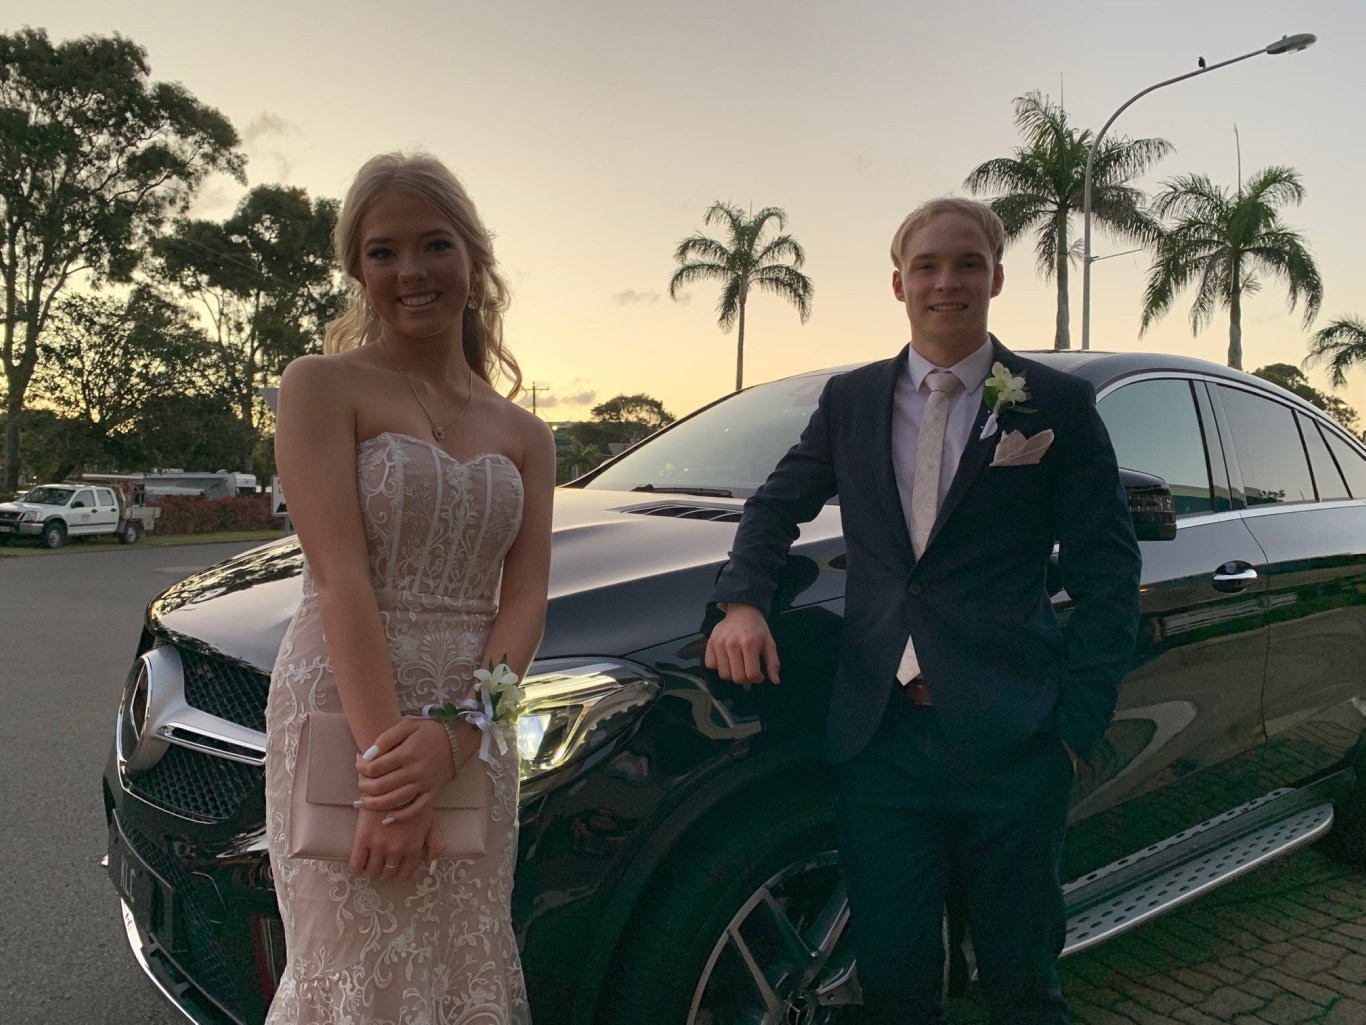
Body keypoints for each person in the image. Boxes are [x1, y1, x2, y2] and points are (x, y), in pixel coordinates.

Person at [703, 197, 1141, 1024]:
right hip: (882, 743)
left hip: (1014, 743)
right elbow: (773, 507)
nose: (949, 282)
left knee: (1023, 985)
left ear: (997, 277)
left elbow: (1108, 574)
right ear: (899, 282)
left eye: (968, 263)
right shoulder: (852, 400)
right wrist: (741, 602)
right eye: (929, 266)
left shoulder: (1054, 405)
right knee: (896, 983)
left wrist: (1073, 734)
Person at [264, 152, 554, 1025]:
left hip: (472, 732)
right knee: (354, 973)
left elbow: (527, 604)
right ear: (357, 269)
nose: (410, 272)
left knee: (460, 966)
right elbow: (341, 576)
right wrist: (392, 768)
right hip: (347, 716)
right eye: (382, 252)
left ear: (474, 259)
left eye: (434, 245)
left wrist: (463, 738)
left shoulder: (528, 433)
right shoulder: (322, 385)